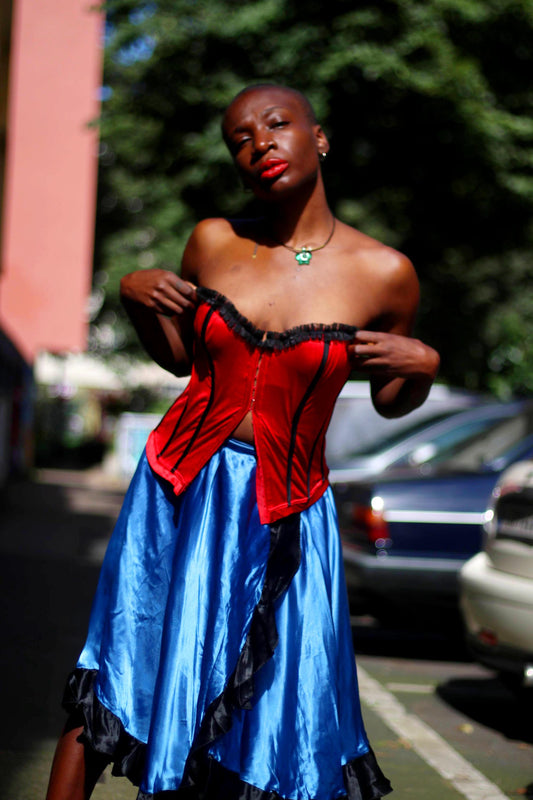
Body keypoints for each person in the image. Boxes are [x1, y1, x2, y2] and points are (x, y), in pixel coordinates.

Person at [46, 84, 439, 800]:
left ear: (319, 138)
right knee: (126, 664)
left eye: (276, 124)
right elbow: (179, 360)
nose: (259, 143)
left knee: (278, 706)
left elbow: (391, 401)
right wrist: (136, 298)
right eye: (240, 138)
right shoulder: (213, 241)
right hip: (179, 484)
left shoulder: (386, 273)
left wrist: (421, 367)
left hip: (289, 506)